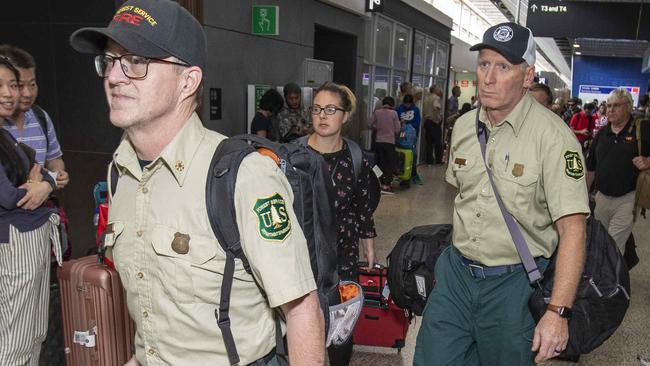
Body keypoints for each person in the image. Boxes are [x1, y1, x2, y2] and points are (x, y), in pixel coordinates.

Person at [69, 1, 324, 365]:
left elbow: (302, 312)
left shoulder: (243, 176)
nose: (114, 76)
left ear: (188, 81)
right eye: (109, 61)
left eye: (136, 61)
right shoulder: (120, 173)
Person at [415, 22, 589, 365]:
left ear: (527, 77)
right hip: (456, 277)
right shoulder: (465, 126)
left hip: (513, 287)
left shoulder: (554, 138)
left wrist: (557, 311)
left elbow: (574, 230)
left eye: (503, 67)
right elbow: (461, 197)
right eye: (484, 64)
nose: (488, 77)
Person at [305, 82, 378, 366]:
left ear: (345, 116)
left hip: (344, 256)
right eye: (317, 109)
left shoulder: (355, 156)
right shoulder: (294, 154)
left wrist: (368, 247)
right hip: (304, 254)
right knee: (298, 325)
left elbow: (363, 207)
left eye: (331, 110)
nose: (323, 116)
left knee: (342, 328)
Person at [0, 56, 60, 366]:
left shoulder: (7, 135)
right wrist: (41, 182)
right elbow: (11, 197)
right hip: (12, 248)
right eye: (0, 85)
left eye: (13, 84)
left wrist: (44, 180)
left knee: (34, 333)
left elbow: (42, 171)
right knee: (14, 339)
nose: (9, 93)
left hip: (28, 244)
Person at [586, 88, 650, 252]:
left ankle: (612, 277)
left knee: (614, 246)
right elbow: (591, 168)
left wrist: (648, 160)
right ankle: (606, 275)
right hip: (601, 198)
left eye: (616, 105)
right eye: (608, 106)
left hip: (628, 198)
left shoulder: (642, 128)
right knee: (600, 241)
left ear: (628, 107)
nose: (610, 110)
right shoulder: (602, 134)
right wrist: (584, 195)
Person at [0, 45, 69, 189]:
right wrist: (40, 185)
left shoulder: (40, 116)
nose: (28, 93)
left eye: (32, 84)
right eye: (18, 85)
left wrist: (57, 173)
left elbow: (54, 159)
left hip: (41, 207)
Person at [368, 96, 400, 193]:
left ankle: (379, 182)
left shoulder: (377, 112)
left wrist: (377, 127)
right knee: (389, 163)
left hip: (378, 141)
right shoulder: (394, 113)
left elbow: (369, 124)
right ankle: (387, 184)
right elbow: (397, 129)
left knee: (379, 162)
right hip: (390, 142)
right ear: (392, 104)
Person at [395, 94, 422, 185]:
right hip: (400, 137)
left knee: (413, 155)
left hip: (411, 138)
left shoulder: (416, 110)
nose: (407, 106)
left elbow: (417, 123)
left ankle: (413, 174)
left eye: (408, 104)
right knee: (400, 156)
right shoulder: (398, 109)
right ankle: (401, 174)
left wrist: (407, 124)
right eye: (405, 104)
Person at [422, 86, 443, 165]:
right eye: (439, 89)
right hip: (434, 122)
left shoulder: (426, 98)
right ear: (435, 90)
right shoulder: (436, 98)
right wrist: (439, 117)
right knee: (437, 143)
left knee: (429, 143)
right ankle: (438, 161)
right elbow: (436, 107)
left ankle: (429, 160)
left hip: (427, 121)